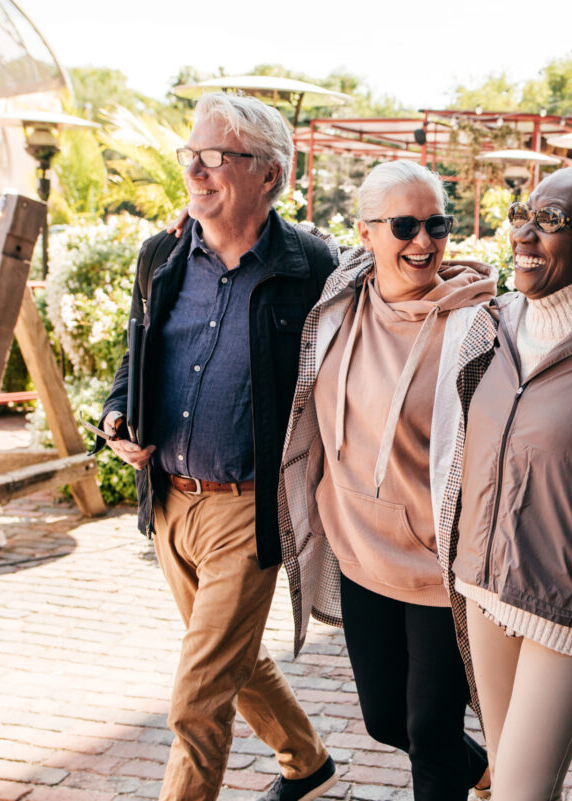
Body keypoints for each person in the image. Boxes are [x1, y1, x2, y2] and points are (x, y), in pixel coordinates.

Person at [98, 93, 339, 801]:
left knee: (197, 697)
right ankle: (308, 761)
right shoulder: (161, 255)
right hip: (170, 503)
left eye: (216, 158)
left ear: (269, 174)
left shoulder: (312, 266)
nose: (196, 172)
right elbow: (133, 356)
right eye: (191, 156)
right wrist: (118, 417)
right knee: (230, 658)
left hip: (249, 506)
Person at [436, 167, 572, 801]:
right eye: (522, 214)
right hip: (482, 582)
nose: (525, 234)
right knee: (504, 778)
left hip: (564, 603)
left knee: (523, 792)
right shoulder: (495, 319)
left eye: (552, 222)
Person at [277, 160, 493, 801]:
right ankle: (483, 768)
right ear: (366, 233)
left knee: (430, 734)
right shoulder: (338, 299)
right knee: (385, 722)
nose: (423, 243)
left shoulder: (477, 325)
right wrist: (191, 228)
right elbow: (263, 244)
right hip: (358, 550)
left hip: (436, 566)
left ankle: (466, 773)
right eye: (404, 226)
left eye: (437, 225)